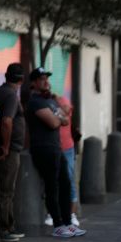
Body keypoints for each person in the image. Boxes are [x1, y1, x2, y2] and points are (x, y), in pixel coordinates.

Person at [25, 67, 86, 238]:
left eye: (46, 78)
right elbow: (53, 123)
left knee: (66, 184)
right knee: (53, 187)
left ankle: (68, 222)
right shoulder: (35, 102)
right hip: (43, 149)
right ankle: (58, 225)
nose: (46, 81)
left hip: (56, 148)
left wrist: (57, 117)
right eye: (42, 79)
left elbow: (65, 120)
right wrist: (57, 117)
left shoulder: (50, 101)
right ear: (34, 83)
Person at [0, 63, 26, 242]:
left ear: (6, 75)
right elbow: (6, 121)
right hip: (9, 150)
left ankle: (8, 225)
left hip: (8, 148)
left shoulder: (0, 91)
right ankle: (5, 228)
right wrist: (5, 146)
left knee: (6, 188)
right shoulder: (11, 95)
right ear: (21, 79)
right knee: (6, 189)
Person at [44, 94, 80, 227]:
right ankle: (52, 213)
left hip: (67, 147)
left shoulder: (60, 100)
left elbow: (66, 109)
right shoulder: (45, 103)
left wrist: (56, 105)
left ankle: (71, 214)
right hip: (54, 148)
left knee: (69, 180)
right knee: (52, 182)